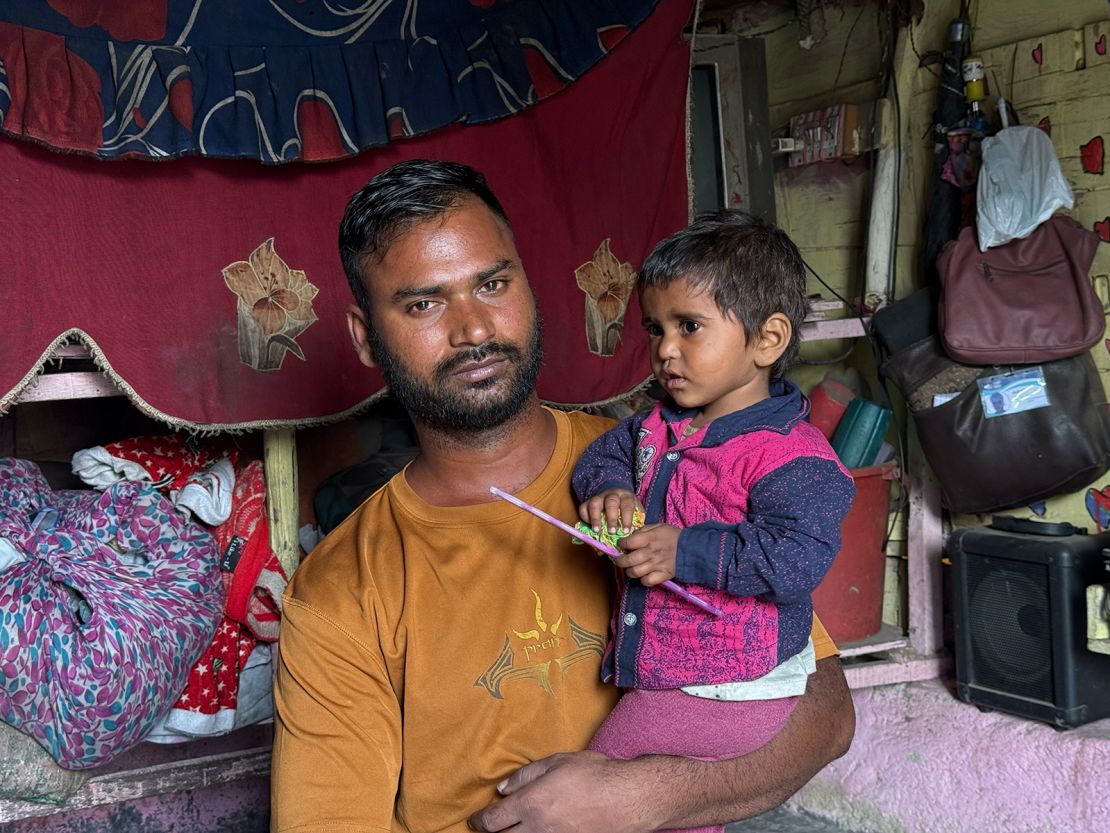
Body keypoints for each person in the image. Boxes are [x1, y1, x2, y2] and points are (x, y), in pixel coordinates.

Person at [270, 159, 855, 833]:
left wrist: (644, 797)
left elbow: (825, 713)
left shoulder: (673, 468)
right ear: (366, 337)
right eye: (424, 303)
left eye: (492, 283)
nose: (474, 328)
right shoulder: (345, 585)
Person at [571, 211, 856, 833]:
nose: (665, 349)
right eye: (656, 328)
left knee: (582, 802)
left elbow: (795, 557)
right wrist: (612, 487)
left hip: (728, 684)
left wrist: (686, 553)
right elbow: (607, 453)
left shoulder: (794, 456)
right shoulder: (661, 423)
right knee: (683, 819)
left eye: (689, 326)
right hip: (680, 674)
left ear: (768, 340)